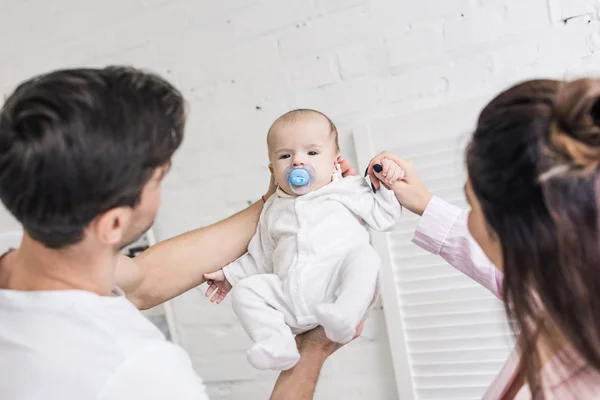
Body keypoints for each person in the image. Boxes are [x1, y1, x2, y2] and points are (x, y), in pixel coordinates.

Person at [0, 66, 359, 400]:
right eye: (158, 179)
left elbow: (144, 280)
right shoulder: (138, 368)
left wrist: (274, 202)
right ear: (112, 225)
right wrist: (312, 350)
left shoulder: (28, 258)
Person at [366, 78, 600, 398]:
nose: (471, 222)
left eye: (471, 204)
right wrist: (424, 202)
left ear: (516, 233)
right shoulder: (561, 290)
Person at [200, 109, 403, 371]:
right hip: (290, 296)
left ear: (334, 161)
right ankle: (277, 344)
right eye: (285, 155)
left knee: (366, 257)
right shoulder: (273, 208)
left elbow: (385, 217)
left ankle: (346, 315)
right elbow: (262, 254)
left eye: (312, 153)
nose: (297, 161)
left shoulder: (350, 190)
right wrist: (230, 277)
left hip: (335, 289)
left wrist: (386, 184)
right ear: (273, 170)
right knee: (247, 291)